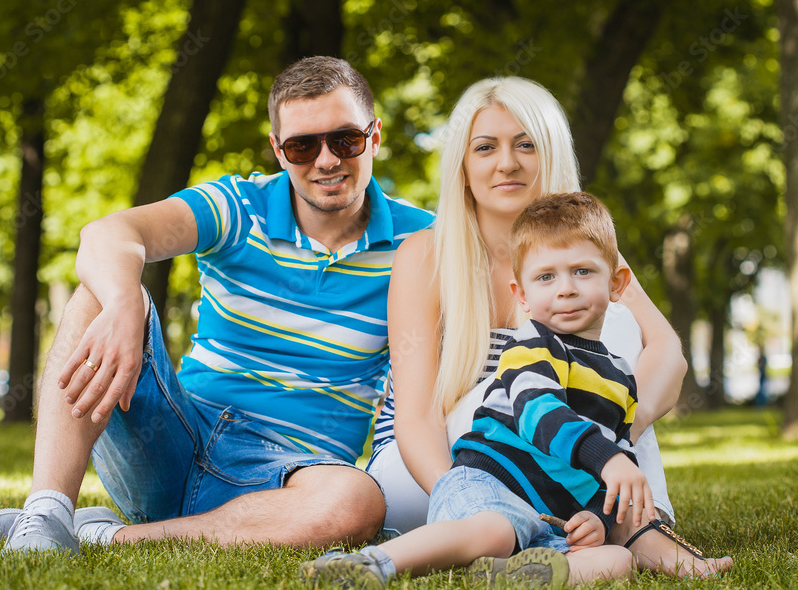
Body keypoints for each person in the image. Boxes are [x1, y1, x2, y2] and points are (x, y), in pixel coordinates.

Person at [0, 56, 434, 554]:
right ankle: (45, 512)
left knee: (359, 502)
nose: (327, 160)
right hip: (174, 441)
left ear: (374, 136)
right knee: (101, 292)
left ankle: (101, 536)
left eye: (345, 140)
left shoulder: (425, 241)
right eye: (301, 146)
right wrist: (125, 304)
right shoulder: (236, 205)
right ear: (278, 150)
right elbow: (109, 233)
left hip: (294, 478)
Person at [365, 76, 732, 576]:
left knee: (610, 328)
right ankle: (618, 527)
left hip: (549, 464)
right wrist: (472, 500)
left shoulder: (583, 251)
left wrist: (604, 451)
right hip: (437, 472)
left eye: (525, 145)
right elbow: (414, 420)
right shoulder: (426, 254)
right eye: (485, 147)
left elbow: (667, 348)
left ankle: (620, 523)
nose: (507, 163)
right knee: (547, 375)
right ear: (463, 166)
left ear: (551, 154)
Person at [300, 192, 704, 588]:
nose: (565, 289)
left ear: (616, 283)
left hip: (544, 517)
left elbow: (618, 449)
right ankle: (375, 564)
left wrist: (598, 516)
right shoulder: (532, 346)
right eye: (547, 277)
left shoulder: (618, 374)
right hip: (485, 487)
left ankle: (503, 576)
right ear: (523, 296)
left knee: (615, 561)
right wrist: (606, 458)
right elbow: (538, 412)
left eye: (582, 271)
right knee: (494, 531)